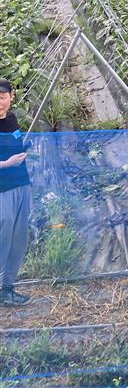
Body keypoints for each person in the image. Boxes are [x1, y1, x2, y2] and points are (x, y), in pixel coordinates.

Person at [0, 79, 31, 307]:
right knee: (3, 238)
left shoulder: (12, 120)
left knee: (19, 238)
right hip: (2, 190)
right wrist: (7, 163)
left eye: (2, 97)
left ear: (11, 96)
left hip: (21, 184)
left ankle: (8, 288)